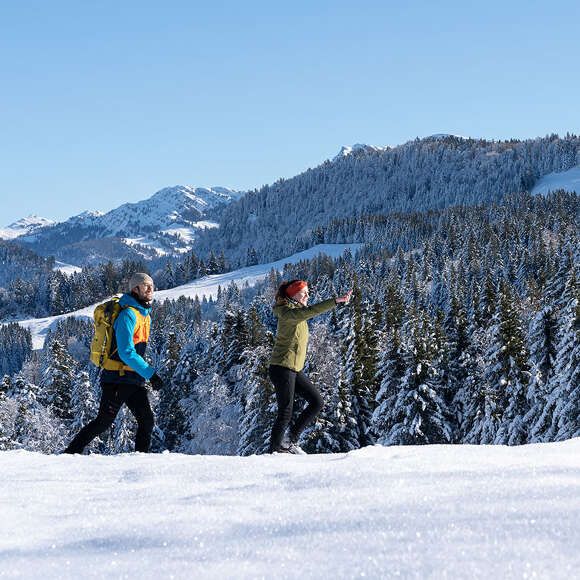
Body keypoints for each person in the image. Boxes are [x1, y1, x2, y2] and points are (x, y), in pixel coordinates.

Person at [64, 273, 164, 454]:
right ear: (135, 289)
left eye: (151, 285)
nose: (150, 289)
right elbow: (126, 352)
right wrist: (151, 374)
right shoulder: (128, 315)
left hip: (133, 378)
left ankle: (141, 460)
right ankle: (69, 453)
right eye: (145, 285)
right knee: (103, 422)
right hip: (117, 378)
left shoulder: (145, 315)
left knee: (146, 420)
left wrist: (144, 374)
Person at [268, 279, 352, 454]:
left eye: (307, 292)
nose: (307, 295)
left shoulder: (297, 313)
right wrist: (335, 301)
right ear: (293, 296)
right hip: (282, 367)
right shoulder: (288, 314)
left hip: (293, 369)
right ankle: (273, 452)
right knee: (285, 411)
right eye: (303, 293)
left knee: (316, 402)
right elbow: (311, 311)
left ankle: (289, 440)